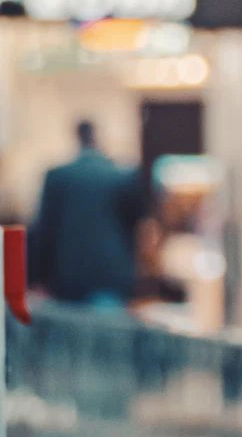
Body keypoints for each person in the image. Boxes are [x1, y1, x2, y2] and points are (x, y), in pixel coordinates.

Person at [29, 120, 154, 311]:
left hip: (68, 276)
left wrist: (37, 277)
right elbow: (139, 229)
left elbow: (44, 231)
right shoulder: (123, 177)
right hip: (112, 274)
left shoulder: (57, 177)